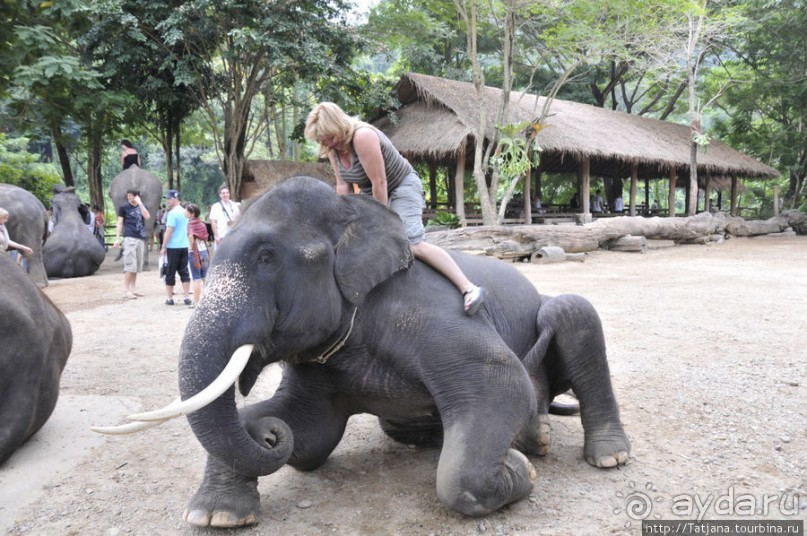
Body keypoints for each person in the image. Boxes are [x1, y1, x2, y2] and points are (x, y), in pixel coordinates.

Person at [305, 101, 486, 316]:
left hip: (401, 185)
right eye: (322, 141)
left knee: (412, 243)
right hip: (370, 191)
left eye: (330, 138)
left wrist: (380, 222)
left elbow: (379, 182)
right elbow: (343, 186)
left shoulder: (362, 136)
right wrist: (345, 220)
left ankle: (468, 288)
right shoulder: (331, 149)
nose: (328, 144)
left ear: (338, 127)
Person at [112, 188, 151, 299]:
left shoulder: (142, 206)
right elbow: (119, 223)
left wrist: (140, 203)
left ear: (137, 196)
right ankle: (126, 290)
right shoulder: (123, 207)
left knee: (137, 266)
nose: (129, 197)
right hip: (129, 238)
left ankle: (133, 289)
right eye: (128, 195)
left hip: (140, 238)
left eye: (131, 195)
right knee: (130, 265)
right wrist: (117, 238)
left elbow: (147, 216)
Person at [160, 189, 191, 306]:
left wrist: (163, 246)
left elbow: (169, 231)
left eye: (169, 198)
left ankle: (169, 298)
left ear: (176, 198)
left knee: (170, 271)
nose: (168, 200)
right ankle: (186, 297)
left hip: (173, 246)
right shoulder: (185, 212)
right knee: (184, 271)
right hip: (184, 245)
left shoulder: (172, 213)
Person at [186, 203, 210, 308]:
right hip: (204, 251)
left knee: (196, 278)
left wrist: (191, 247)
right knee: (205, 277)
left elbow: (191, 236)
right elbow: (206, 237)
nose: (185, 212)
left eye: (187, 210)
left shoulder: (191, 224)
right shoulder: (202, 223)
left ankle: (196, 301)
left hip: (195, 252)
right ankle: (209, 299)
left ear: (192, 213)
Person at [209, 185, 240, 250]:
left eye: (227, 193)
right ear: (220, 195)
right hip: (222, 236)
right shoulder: (216, 206)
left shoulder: (235, 205)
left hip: (234, 236)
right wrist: (217, 236)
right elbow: (213, 222)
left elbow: (239, 218)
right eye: (223, 193)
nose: (225, 195)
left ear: (229, 194)